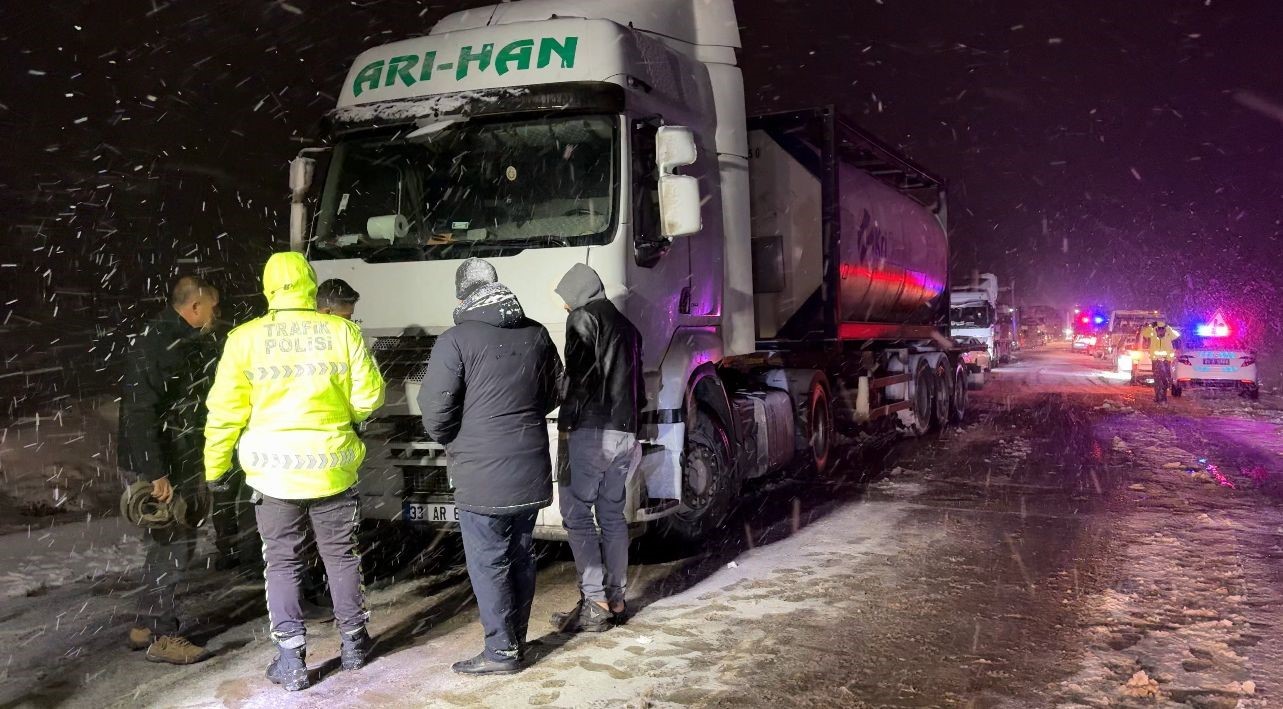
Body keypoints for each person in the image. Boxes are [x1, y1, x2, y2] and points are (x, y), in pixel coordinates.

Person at [204, 252, 385, 692]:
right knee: (341, 556)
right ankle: (354, 642)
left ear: (268, 288)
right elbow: (370, 398)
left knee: (282, 563)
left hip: (273, 474)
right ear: (309, 283)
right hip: (333, 468)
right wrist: (339, 415)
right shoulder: (341, 331)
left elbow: (225, 411)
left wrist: (215, 466)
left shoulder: (244, 339)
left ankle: (291, 659)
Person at [418, 258, 563, 675]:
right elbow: (555, 389)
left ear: (462, 295)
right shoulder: (535, 332)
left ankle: (501, 652)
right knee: (520, 554)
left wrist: (456, 437)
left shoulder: (456, 340)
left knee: (489, 563)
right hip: (529, 466)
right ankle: (515, 641)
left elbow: (435, 410)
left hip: (482, 475)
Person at [119, 275, 220, 665]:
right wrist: (156, 471)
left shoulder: (174, 338)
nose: (215, 314)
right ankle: (163, 637)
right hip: (162, 466)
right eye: (212, 307)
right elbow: (140, 411)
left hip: (172, 459)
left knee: (165, 545)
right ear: (194, 307)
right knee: (171, 547)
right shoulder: (162, 343)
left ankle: (145, 625)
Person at [549, 264, 643, 633]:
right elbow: (635, 386)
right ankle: (616, 599)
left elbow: (580, 379)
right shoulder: (628, 328)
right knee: (612, 515)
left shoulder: (583, 320)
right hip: (624, 431)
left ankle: (595, 601)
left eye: (566, 299)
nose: (565, 308)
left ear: (579, 294)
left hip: (591, 431)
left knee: (576, 514)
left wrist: (567, 421)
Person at [1146, 320, 1181, 403]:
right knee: (1158, 380)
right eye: (1159, 329)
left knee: (1164, 380)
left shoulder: (1169, 334)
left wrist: (1168, 328)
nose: (1161, 331)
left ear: (1165, 329)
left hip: (1166, 361)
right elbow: (1145, 333)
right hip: (1156, 361)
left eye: (1163, 329)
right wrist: (1150, 326)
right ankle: (1158, 397)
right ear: (1156, 329)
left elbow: (1177, 335)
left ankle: (1163, 397)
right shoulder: (1152, 333)